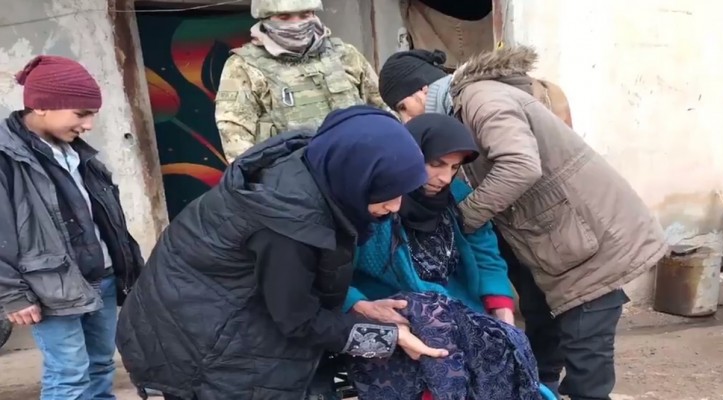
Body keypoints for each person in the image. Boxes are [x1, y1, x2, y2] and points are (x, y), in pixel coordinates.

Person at [377, 47, 668, 400]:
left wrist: (463, 217)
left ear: (421, 91)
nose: (406, 121)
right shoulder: (464, 114)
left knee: (586, 357)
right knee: (543, 347)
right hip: (565, 241)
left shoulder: (481, 100)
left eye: (403, 108)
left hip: (593, 241)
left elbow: (520, 166)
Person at [116, 106, 450, 400]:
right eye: (386, 194)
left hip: (214, 312)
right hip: (199, 343)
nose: (395, 207)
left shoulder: (321, 169)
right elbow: (297, 319)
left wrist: (359, 306)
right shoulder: (289, 223)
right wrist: (387, 339)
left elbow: (298, 287)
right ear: (356, 179)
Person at [345, 113, 543, 399]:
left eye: (454, 167)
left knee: (507, 356)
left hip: (458, 313)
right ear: (408, 155)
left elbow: (486, 255)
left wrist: (502, 312)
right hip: (390, 316)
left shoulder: (457, 197)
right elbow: (331, 277)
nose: (445, 178)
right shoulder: (378, 203)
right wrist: (359, 305)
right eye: (436, 164)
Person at [0, 55, 144, 400]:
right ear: (42, 106)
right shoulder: (6, 158)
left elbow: (106, 218)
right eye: (81, 114)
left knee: (101, 366)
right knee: (69, 376)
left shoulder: (77, 154)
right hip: (50, 289)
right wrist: (12, 295)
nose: (89, 125)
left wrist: (128, 267)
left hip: (101, 278)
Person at [215, 0, 389, 162]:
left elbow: (383, 109)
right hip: (290, 177)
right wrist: (257, 180)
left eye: (305, 15)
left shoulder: (345, 55)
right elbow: (234, 133)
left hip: (357, 166)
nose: (296, 24)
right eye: (284, 17)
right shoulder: (242, 66)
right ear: (265, 18)